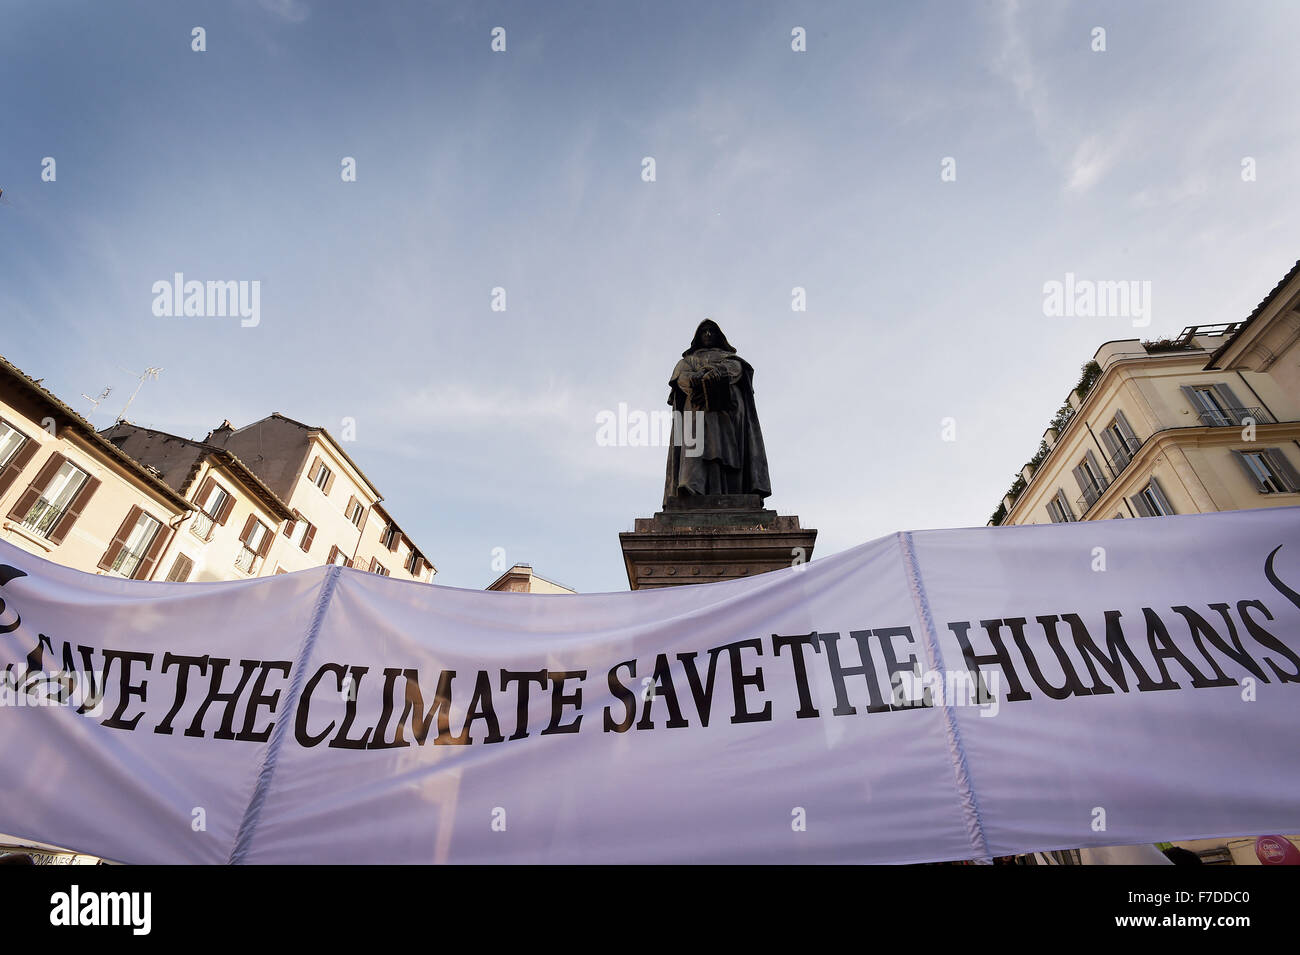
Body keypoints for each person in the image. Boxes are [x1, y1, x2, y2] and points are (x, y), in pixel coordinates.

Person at [662, 319, 771, 503]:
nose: (708, 335)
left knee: (728, 449)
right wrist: (698, 381)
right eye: (704, 331)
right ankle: (692, 486)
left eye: (711, 331)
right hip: (697, 409)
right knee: (694, 446)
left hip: (727, 410)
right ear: (698, 336)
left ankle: (734, 490)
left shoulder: (731, 360)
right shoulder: (687, 361)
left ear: (719, 336)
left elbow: (735, 371)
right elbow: (681, 378)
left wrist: (716, 375)